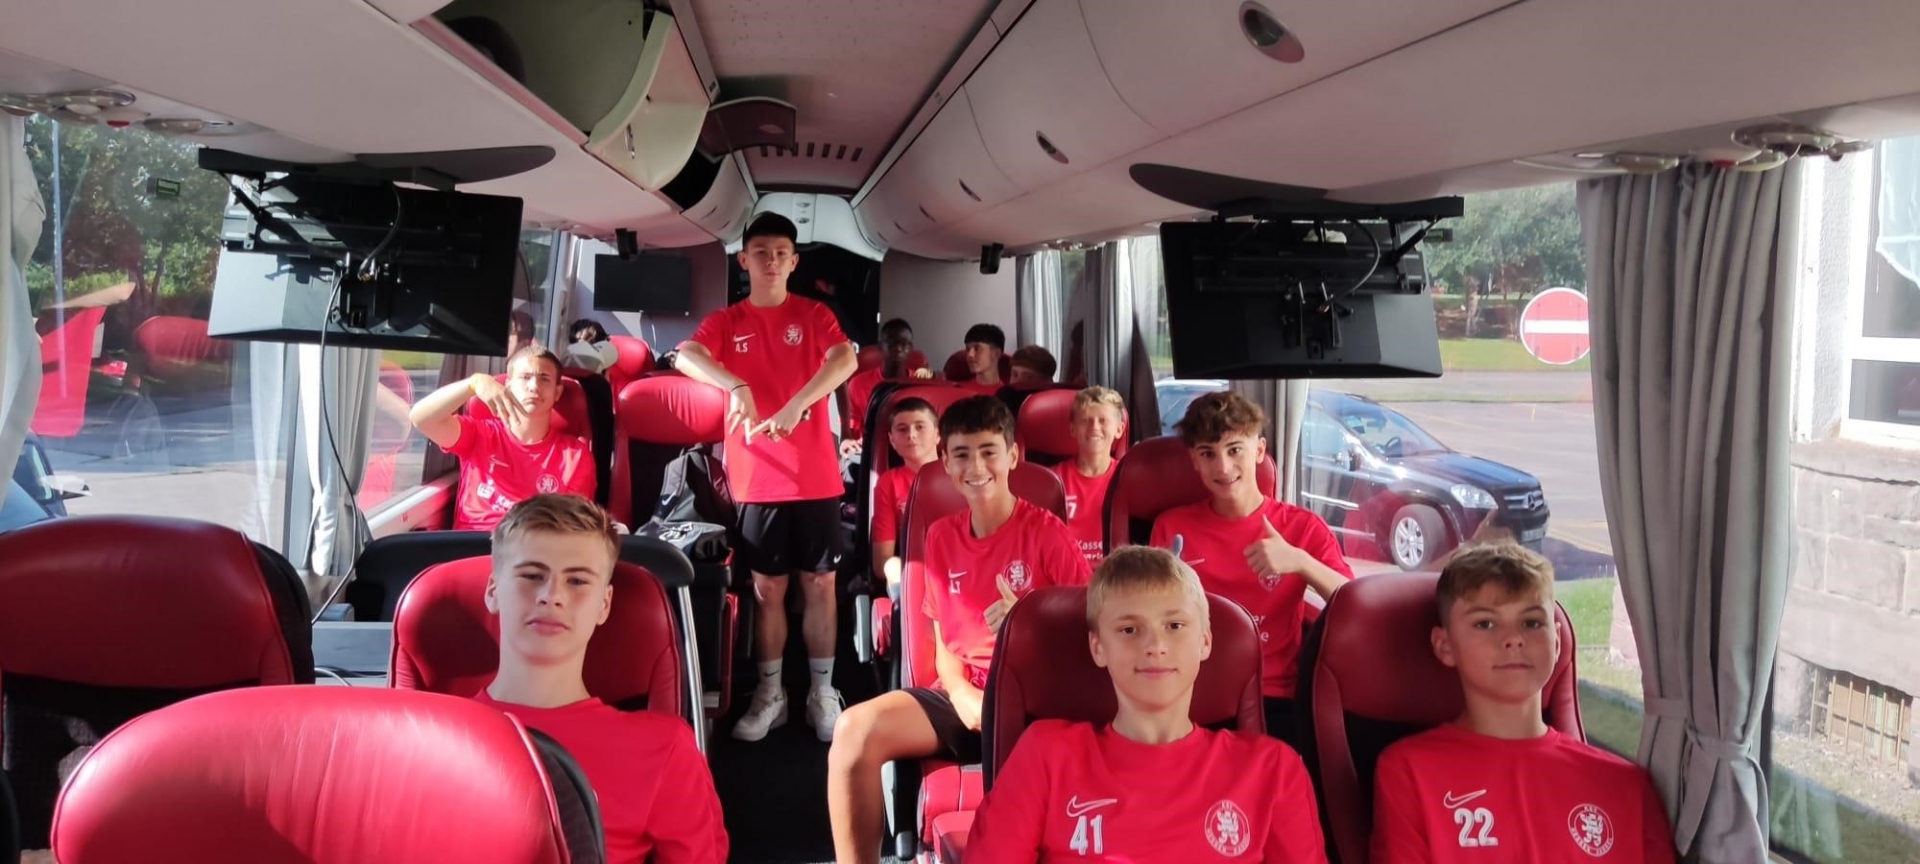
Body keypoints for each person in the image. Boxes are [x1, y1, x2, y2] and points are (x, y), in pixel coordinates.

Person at [826, 395, 1092, 864]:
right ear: (945, 463)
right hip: (961, 696)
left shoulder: (1048, 534)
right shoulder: (940, 535)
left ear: (1012, 456)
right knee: (852, 732)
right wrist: (962, 693)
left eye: (989, 452)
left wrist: (1030, 620)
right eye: (962, 454)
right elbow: (941, 636)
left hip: (1035, 701)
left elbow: (1089, 636)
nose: (976, 467)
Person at [965, 546, 1328, 861]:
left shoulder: (1272, 770)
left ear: (1205, 641)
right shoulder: (1045, 755)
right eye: (1129, 630)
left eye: (1174, 626)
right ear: (1098, 647)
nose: (1155, 646)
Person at [673, 212, 859, 743]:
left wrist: (799, 404)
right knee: (767, 589)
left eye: (781, 253)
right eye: (761, 252)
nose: (772, 261)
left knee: (820, 585)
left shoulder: (814, 314)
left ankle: (822, 690)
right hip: (758, 479)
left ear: (794, 262)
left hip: (815, 476)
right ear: (744, 260)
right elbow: (686, 356)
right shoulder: (728, 321)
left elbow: (844, 358)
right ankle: (771, 693)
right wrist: (736, 386)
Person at [1370, 544, 1676, 863]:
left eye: (1531, 623)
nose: (1514, 638)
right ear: (1445, 646)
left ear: (1556, 642)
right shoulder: (1409, 773)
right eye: (1485, 623)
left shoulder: (1625, 786)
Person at [474, 494, 728, 863]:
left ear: (604, 605)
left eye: (577, 580)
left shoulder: (663, 750)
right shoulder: (430, 738)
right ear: (493, 590)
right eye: (532, 575)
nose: (552, 596)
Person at [1150, 390, 1351, 745]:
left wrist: (1300, 562)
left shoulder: (1302, 527)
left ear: (1259, 451)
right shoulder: (1172, 527)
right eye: (1208, 454)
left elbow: (1353, 603)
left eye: (1234, 450)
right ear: (1194, 461)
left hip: (1274, 692)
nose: (1223, 467)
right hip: (1193, 688)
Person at [411, 343, 595, 531]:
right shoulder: (478, 435)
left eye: (544, 379)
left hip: (534, 543)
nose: (534, 387)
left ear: (557, 393)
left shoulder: (575, 456)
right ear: (508, 386)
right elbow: (421, 419)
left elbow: (573, 527)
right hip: (472, 541)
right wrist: (473, 383)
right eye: (525, 377)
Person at [869, 396, 939, 587]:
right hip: (912, 573)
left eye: (920, 427)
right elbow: (882, 561)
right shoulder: (889, 482)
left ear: (937, 435)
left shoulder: (960, 474)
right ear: (892, 440)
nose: (911, 435)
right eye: (902, 429)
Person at [1053, 386, 1124, 566]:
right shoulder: (1052, 480)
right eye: (1085, 420)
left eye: (1103, 420)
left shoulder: (1128, 479)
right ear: (1072, 429)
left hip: (1116, 575)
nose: (1094, 428)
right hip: (1066, 573)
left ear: (1119, 429)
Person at [841, 317, 933, 454]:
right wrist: (850, 443)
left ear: (910, 348)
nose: (898, 348)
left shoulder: (920, 383)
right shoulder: (857, 384)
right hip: (871, 451)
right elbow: (851, 431)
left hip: (911, 449)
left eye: (904, 343)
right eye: (892, 343)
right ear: (880, 347)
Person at [957, 323, 1007, 395]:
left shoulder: (1010, 395)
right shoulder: (958, 390)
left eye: (977, 348)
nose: (970, 354)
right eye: (968, 349)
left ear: (996, 354)